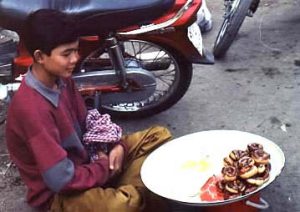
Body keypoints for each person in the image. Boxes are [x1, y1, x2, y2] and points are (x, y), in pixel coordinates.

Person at [5, 9, 172, 212]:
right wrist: (105, 168)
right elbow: (61, 180)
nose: (75, 58)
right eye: (66, 54)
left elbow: (90, 124)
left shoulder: (63, 80)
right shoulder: (32, 109)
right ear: (40, 56)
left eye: (76, 50)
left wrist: (115, 146)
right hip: (60, 195)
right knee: (125, 203)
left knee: (158, 136)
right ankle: (132, 193)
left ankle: (130, 191)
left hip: (89, 163)